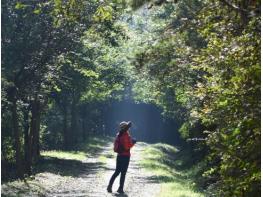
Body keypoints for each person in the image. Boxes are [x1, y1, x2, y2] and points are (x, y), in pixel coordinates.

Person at [107, 121, 136, 194]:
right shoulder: (126, 135)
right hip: (125, 156)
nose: (128, 128)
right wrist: (133, 143)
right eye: (127, 127)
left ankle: (109, 186)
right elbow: (127, 147)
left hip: (119, 156)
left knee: (117, 172)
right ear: (126, 128)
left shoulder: (118, 135)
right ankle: (120, 189)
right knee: (123, 173)